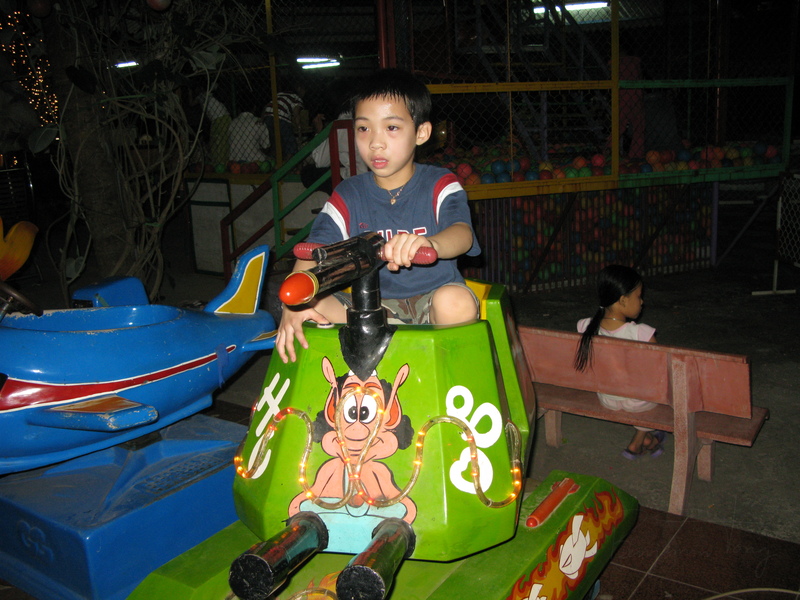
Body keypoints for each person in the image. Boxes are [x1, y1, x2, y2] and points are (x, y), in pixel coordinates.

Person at [276, 68, 482, 363]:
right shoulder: (348, 193)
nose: (375, 142)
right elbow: (314, 251)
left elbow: (462, 233)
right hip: (370, 304)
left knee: (456, 302)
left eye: (392, 127)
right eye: (364, 128)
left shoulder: (441, 184)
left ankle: (456, 382)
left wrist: (431, 244)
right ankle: (343, 387)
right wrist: (293, 304)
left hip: (432, 300)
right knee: (311, 309)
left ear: (421, 133)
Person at [574, 265, 666, 459]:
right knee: (653, 391)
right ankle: (640, 438)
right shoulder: (641, 334)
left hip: (607, 397)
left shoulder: (584, 326)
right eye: (639, 296)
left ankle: (646, 439)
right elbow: (660, 372)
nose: (642, 301)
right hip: (637, 403)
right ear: (623, 300)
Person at [263, 82, 305, 159]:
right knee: (290, 144)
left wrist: (262, 119)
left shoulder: (281, 94)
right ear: (300, 89)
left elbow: (267, 106)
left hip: (268, 116)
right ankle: (289, 163)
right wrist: (299, 130)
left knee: (274, 143)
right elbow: (296, 113)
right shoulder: (296, 98)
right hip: (281, 117)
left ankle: (275, 161)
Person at [229, 97, 270, 162]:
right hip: (256, 162)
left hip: (235, 162)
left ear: (239, 109)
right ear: (254, 108)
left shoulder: (232, 123)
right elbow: (266, 147)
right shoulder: (259, 122)